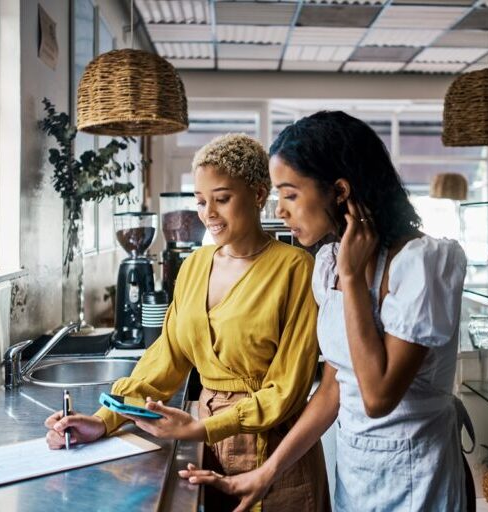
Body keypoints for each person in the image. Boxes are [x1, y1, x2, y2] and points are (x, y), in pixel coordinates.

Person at [181, 112, 474, 512]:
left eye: (290, 194)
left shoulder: (423, 263)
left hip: (417, 475)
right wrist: (266, 473)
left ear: (338, 191)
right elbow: (335, 388)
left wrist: (353, 279)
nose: (280, 211)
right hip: (355, 475)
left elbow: (377, 396)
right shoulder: (329, 263)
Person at [44, 133, 329, 512]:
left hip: (276, 455)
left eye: (222, 199)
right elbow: (166, 358)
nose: (208, 212)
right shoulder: (195, 265)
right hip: (207, 450)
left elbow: (287, 389)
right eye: (200, 201)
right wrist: (105, 418)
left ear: (259, 195)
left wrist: (203, 427)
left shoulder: (295, 268)